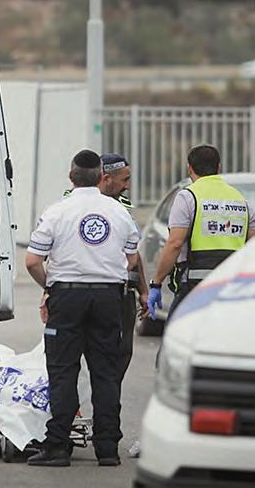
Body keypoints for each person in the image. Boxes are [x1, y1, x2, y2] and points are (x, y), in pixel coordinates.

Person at [24, 150, 140, 468]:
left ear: (71, 177)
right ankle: (108, 449)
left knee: (63, 371)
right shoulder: (119, 213)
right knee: (106, 373)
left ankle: (58, 447)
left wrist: (50, 287)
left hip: (67, 297)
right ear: (101, 176)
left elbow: (32, 261)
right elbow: (132, 259)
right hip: (108, 298)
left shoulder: (56, 212)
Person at [146, 145, 255, 320]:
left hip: (195, 286)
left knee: (178, 333)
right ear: (218, 167)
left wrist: (156, 283)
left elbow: (175, 243)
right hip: (230, 285)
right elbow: (254, 246)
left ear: (189, 168)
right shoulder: (241, 200)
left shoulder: (187, 197)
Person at [96, 153, 149, 375]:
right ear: (106, 178)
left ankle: (109, 393)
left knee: (121, 353)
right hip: (96, 293)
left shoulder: (123, 211)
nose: (127, 186)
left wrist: (143, 291)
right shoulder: (78, 208)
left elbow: (134, 253)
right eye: (124, 180)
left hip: (122, 293)